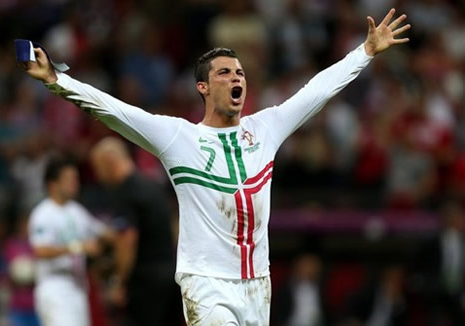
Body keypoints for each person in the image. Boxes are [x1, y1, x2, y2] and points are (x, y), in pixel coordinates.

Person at [20, 8, 410, 325]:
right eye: (224, 72)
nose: (235, 77)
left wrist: (366, 52)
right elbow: (114, 111)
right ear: (203, 87)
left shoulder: (266, 128)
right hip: (206, 282)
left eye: (239, 72)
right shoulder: (178, 138)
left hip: (258, 283)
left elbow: (317, 91)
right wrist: (56, 80)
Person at [89, 137, 178, 326]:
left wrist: (118, 283)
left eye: (98, 168)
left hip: (145, 283)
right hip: (170, 277)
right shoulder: (153, 187)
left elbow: (127, 239)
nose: (99, 176)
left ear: (109, 162)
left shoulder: (127, 193)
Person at [28, 156, 114, 326]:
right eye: (69, 179)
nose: (75, 184)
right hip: (55, 286)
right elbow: (40, 250)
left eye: (76, 179)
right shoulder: (43, 213)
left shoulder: (77, 211)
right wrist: (77, 247)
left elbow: (103, 233)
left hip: (78, 286)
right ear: (52, 184)